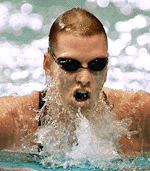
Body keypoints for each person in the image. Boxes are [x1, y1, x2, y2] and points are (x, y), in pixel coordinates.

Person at [0, 8, 150, 158]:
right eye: (70, 64)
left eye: (97, 64)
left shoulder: (139, 117)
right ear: (47, 65)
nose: (84, 78)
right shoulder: (10, 123)